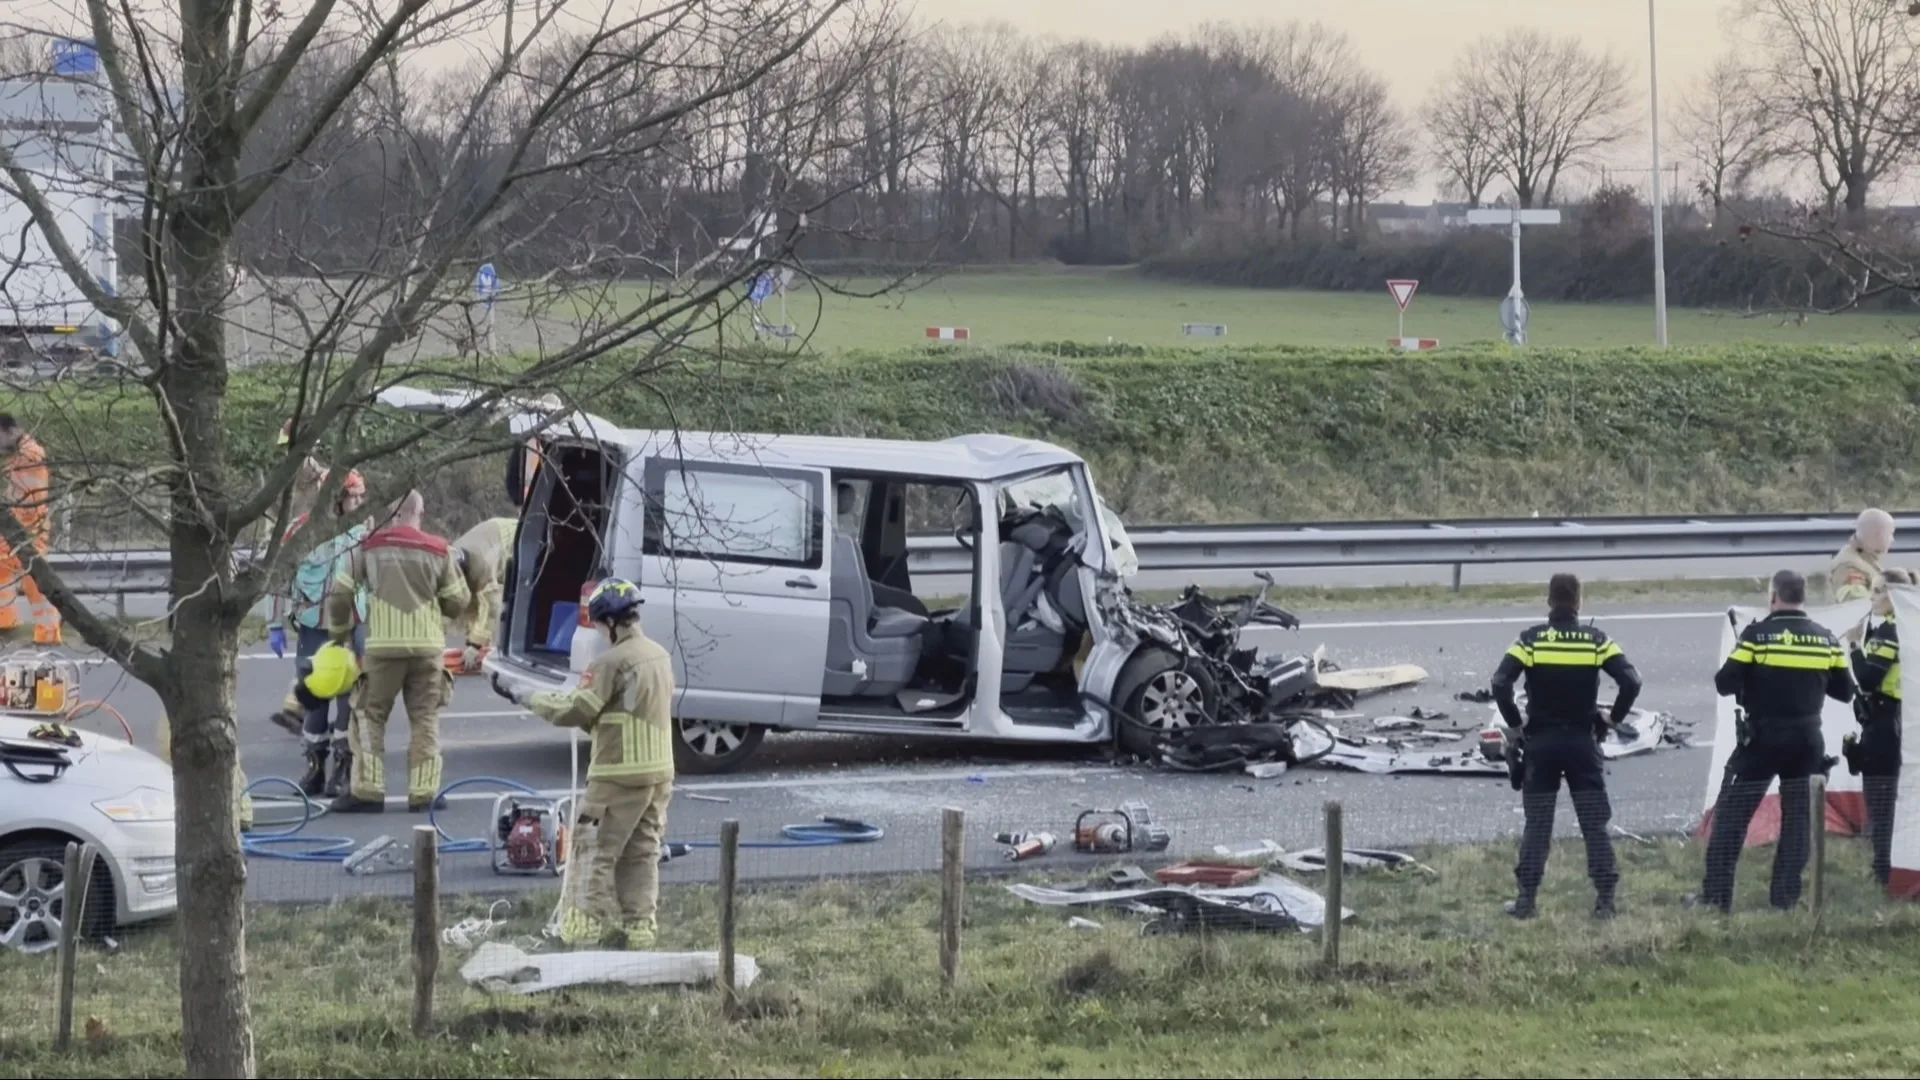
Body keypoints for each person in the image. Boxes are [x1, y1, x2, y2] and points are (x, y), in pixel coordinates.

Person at [495, 578, 674, 949]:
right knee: (642, 852)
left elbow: (576, 710)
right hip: (658, 775)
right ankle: (640, 930)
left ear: (609, 621)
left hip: (616, 777)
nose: (598, 633)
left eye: (597, 625)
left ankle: (580, 930)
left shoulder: (610, 662)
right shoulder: (658, 655)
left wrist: (525, 695)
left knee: (591, 848)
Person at [1699, 569, 1855, 913]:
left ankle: (1716, 897)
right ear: (1803, 598)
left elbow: (1725, 683)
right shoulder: (1826, 639)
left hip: (1762, 739)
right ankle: (1785, 900)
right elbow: (1845, 692)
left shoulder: (1757, 636)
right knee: (1798, 821)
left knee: (1733, 818)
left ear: (1773, 596)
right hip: (1807, 741)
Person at [1489, 573, 1642, 921]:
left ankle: (1526, 901)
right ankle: (1605, 902)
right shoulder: (1596, 640)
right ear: (1578, 602)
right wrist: (1612, 720)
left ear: (1549, 600)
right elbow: (1631, 681)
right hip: (1582, 744)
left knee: (1538, 824)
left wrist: (1516, 724)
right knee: (1594, 824)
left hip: (1541, 744)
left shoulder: (1530, 640)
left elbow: (1500, 683)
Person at [326, 490, 470, 814]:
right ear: (421, 513)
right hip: (427, 648)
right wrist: (436, 608)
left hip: (382, 648)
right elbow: (459, 599)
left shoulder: (368, 546)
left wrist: (338, 633)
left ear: (391, 514)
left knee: (369, 716)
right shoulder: (439, 549)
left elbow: (340, 592)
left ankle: (368, 791)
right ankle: (423, 793)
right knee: (424, 717)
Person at [266, 469, 372, 797]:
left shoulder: (363, 531)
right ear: (336, 497)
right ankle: (314, 768)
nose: (360, 501)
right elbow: (278, 578)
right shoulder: (300, 531)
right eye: (354, 496)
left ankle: (342, 768)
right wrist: (274, 623)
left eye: (362, 495)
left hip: (352, 628)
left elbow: (376, 579)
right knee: (314, 701)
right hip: (313, 628)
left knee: (349, 700)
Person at [1848, 568, 1911, 888]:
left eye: (1877, 591)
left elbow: (1869, 679)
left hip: (1886, 722)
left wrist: (1854, 645)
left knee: (1881, 800)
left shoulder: (1890, 630)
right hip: (1903, 718)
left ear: (1892, 594)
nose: (1871, 598)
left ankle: (1884, 871)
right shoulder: (1910, 623)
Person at [0, 415, 60, 644]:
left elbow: (25, 498)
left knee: (35, 580)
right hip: (20, 527)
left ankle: (48, 631)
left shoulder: (29, 455)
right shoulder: (21, 455)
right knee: (5, 570)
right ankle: (5, 621)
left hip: (29, 529)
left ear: (11, 431)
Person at [451, 516, 517, 672]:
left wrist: (475, 645)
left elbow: (491, 607)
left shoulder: (483, 565)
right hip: (491, 537)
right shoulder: (451, 558)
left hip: (519, 538)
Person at [1832, 508, 1895, 603]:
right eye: (1890, 534)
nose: (1892, 539)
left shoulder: (1865, 559)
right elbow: (1857, 605)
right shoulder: (1850, 566)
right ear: (1877, 534)